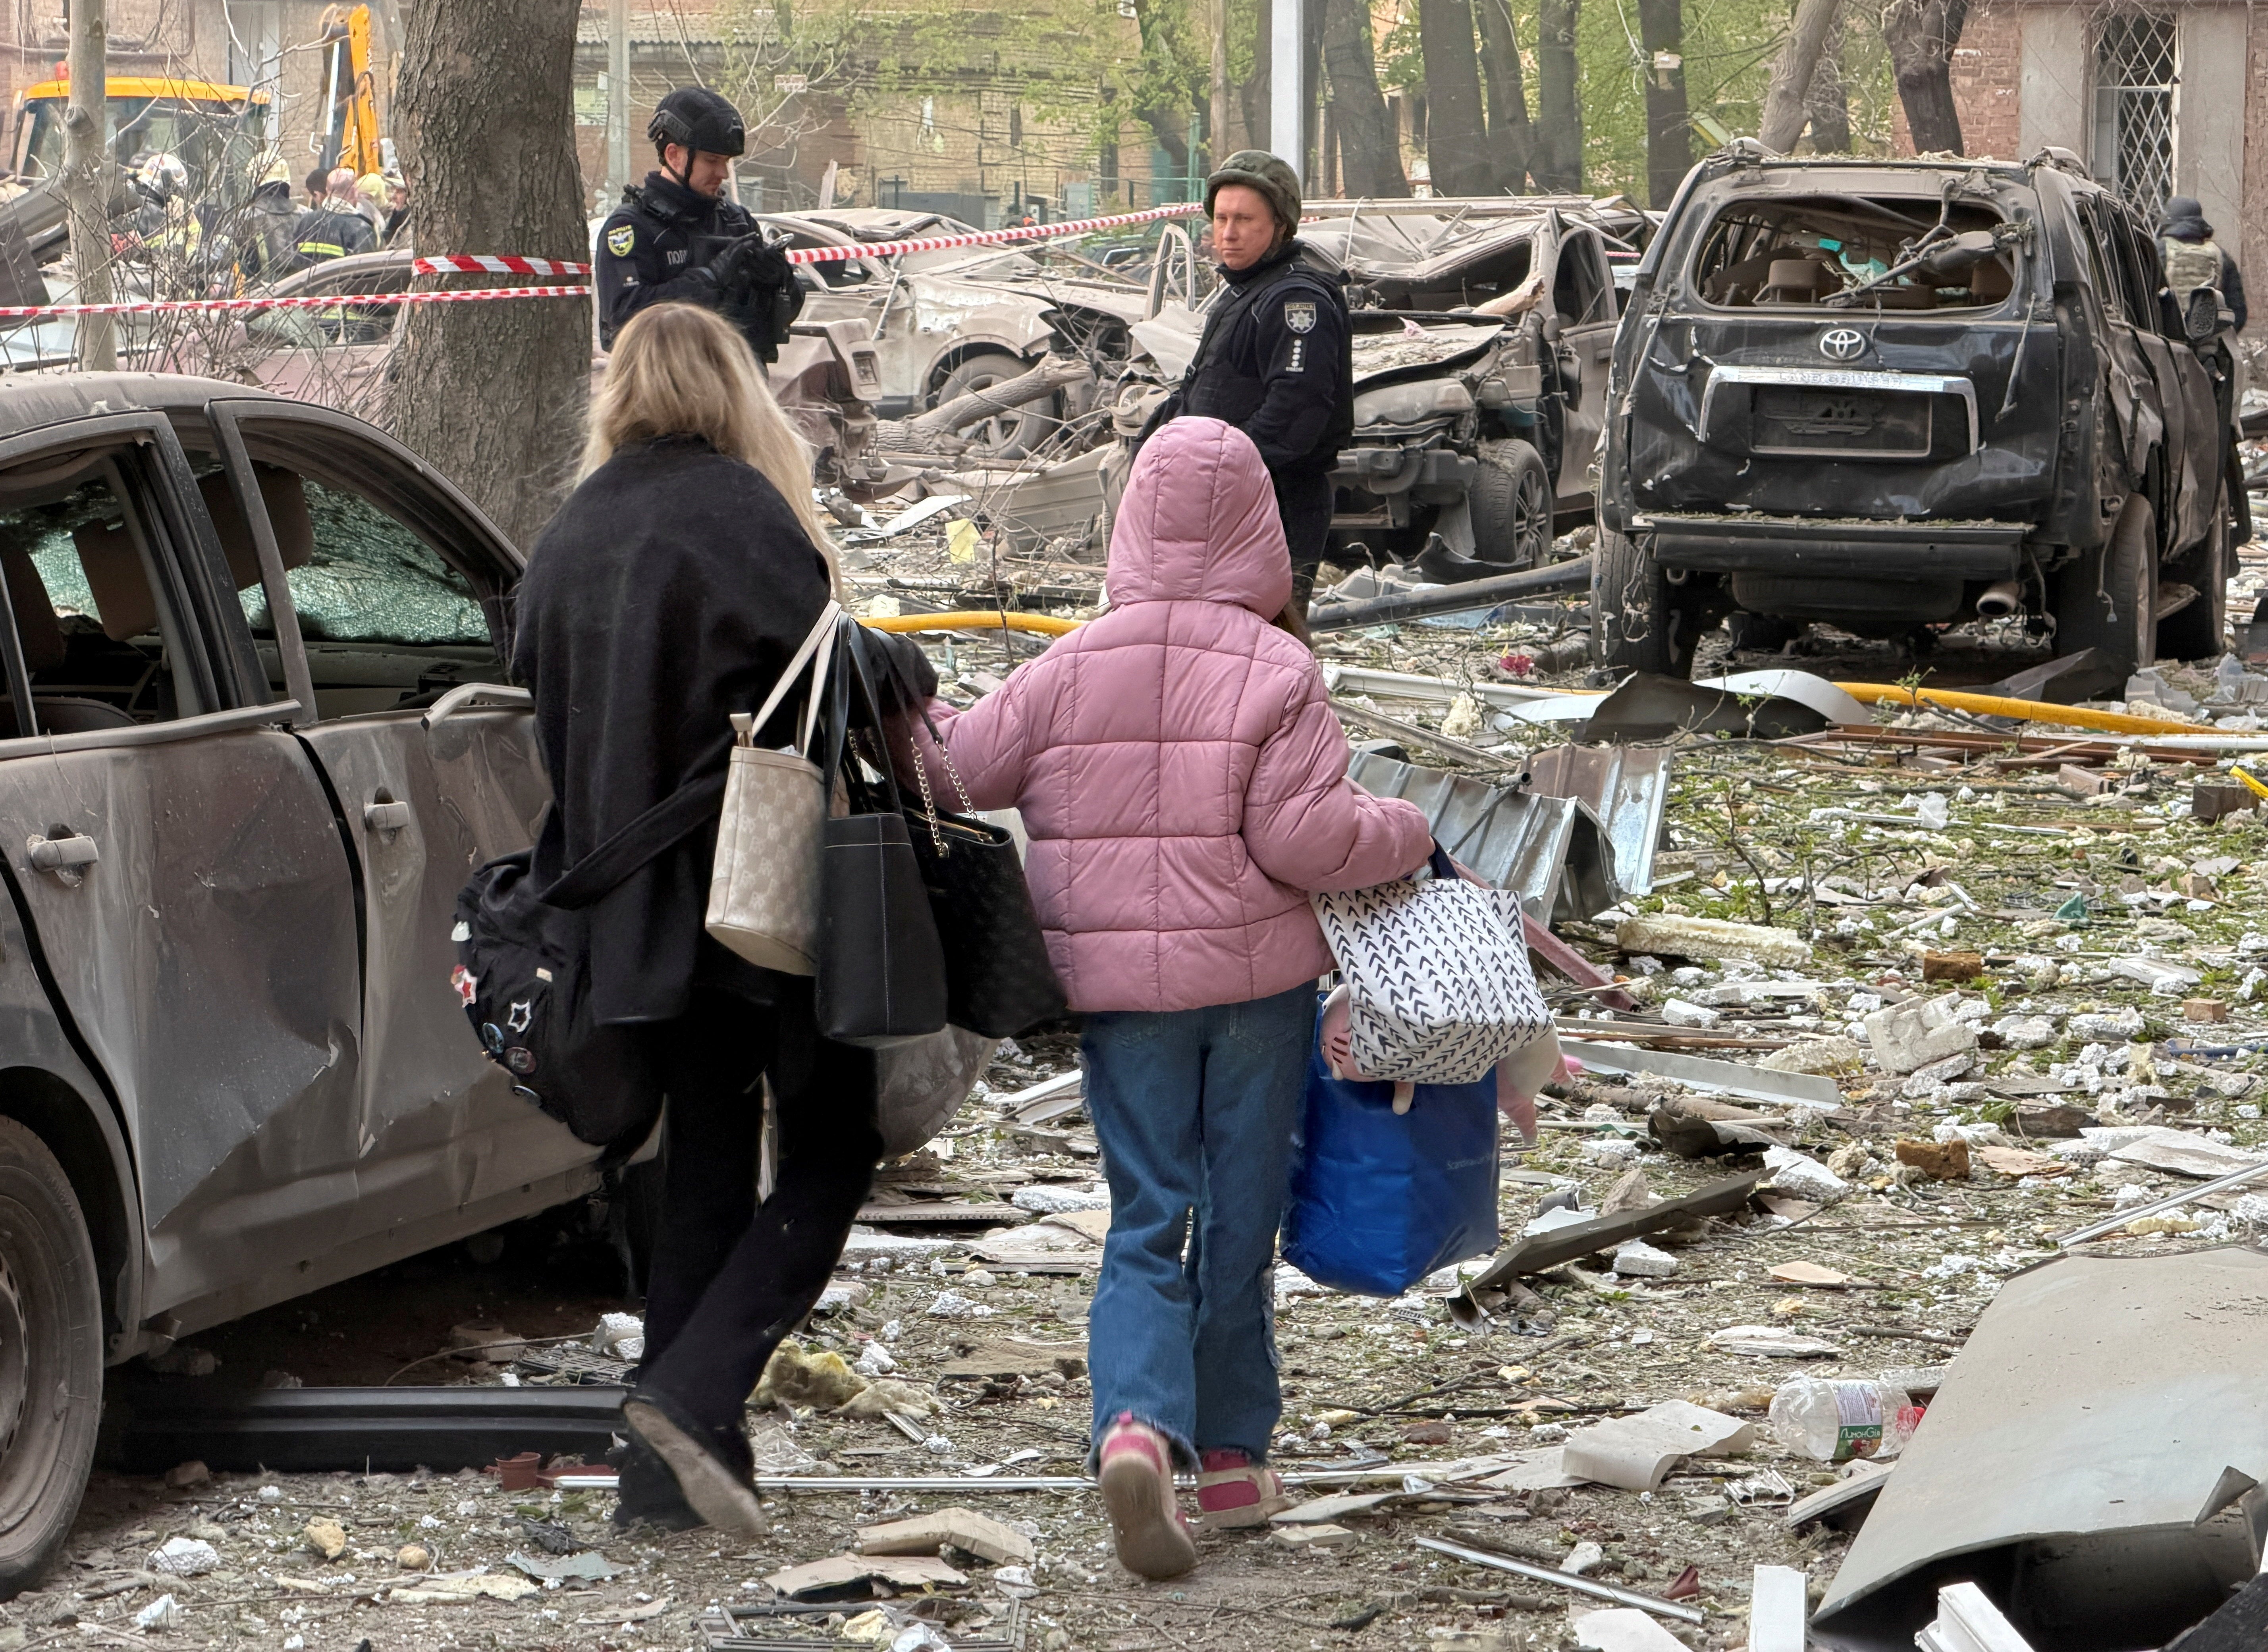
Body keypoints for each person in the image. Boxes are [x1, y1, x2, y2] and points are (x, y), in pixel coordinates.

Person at [897, 416, 1434, 1579]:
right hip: (1255, 994)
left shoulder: (1068, 663)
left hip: (1121, 1001)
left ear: (1129, 519)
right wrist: (1406, 828)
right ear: (1261, 531)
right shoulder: (1278, 667)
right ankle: (1234, 1458)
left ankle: (1136, 1425)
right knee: (1238, 1223)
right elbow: (1305, 838)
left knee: (1147, 1215)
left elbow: (952, 772)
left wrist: (901, 703)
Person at [513, 301, 914, 1538]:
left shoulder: (571, 533)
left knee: (699, 1162)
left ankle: (666, 1477)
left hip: (630, 909)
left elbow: (540, 695)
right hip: (762, 890)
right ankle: (690, 1390)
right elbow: (827, 681)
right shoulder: (749, 516)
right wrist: (914, 673)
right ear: (731, 390)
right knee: (833, 1145)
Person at [1150, 150, 1353, 609]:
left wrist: (1218, 472)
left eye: (1244, 219)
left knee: (1261, 650)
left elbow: (1295, 412)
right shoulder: (1248, 291)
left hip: (1271, 507)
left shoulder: (1295, 300)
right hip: (1223, 503)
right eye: (1220, 218)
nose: (1228, 234)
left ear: (1280, 225)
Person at [595, 87, 804, 364]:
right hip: (666, 392)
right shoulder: (631, 228)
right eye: (712, 160)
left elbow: (789, 311)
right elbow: (623, 320)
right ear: (674, 155)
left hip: (740, 387)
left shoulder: (736, 222)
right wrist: (708, 280)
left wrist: (780, 280)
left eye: (727, 162)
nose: (723, 173)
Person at [293, 165, 376, 265]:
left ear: (328, 191)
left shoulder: (305, 222)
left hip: (307, 280)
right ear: (354, 191)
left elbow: (294, 261)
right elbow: (368, 272)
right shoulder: (359, 228)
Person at [241, 158, 306, 282]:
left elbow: (221, 257)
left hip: (261, 296)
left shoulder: (245, 219)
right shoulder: (308, 215)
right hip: (307, 295)